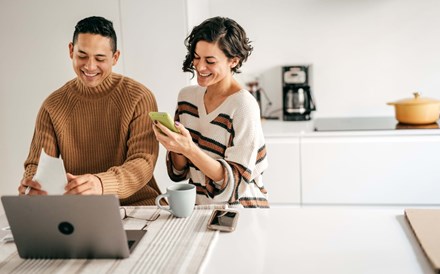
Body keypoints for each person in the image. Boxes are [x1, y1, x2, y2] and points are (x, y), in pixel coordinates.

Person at [18, 16, 161, 205]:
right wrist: (33, 185)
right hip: (78, 210)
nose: (90, 66)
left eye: (100, 58)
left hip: (138, 206)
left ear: (115, 57)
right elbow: (38, 164)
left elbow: (143, 163)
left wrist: (101, 184)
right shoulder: (52, 106)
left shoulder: (139, 98)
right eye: (82, 56)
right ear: (71, 50)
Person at [152, 16, 269, 208]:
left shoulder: (243, 106)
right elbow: (180, 172)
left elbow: (234, 185)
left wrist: (189, 148)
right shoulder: (186, 97)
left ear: (233, 61)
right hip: (200, 209)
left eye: (210, 61)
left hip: (242, 211)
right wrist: (175, 146)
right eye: (196, 57)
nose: (199, 66)